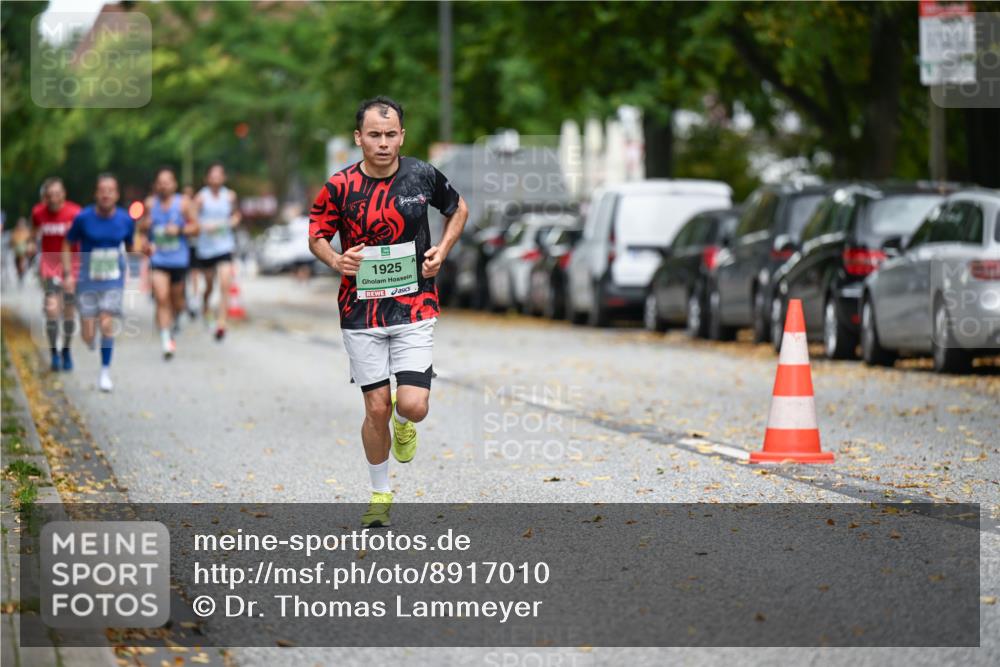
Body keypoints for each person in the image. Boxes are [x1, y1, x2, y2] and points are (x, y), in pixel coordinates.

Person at [307, 96, 468, 527]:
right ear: (359, 138)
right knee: (374, 408)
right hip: (360, 313)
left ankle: (405, 421)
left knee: (413, 405)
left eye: (390, 134)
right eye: (374, 135)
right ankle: (380, 494)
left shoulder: (422, 175)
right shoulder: (339, 187)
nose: (383, 143)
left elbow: (458, 209)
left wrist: (443, 250)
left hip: (415, 304)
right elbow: (317, 233)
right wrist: (335, 260)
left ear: (402, 136)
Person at [63, 174, 135, 392]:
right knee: (87, 334)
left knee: (106, 322)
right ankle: (89, 339)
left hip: (113, 279)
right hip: (87, 280)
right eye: (102, 190)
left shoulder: (125, 219)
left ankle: (105, 372)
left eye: (110, 190)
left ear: (117, 195)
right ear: (96, 194)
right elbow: (67, 244)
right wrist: (67, 273)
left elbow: (131, 246)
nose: (106, 194)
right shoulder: (83, 218)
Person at [140, 167, 197, 359]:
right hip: (158, 259)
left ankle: (176, 318)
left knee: (177, 301)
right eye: (160, 182)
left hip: (179, 260)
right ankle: (166, 339)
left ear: (174, 184)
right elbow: (141, 228)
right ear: (156, 185)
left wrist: (180, 230)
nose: (164, 185)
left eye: (167, 181)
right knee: (162, 297)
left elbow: (196, 228)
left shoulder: (184, 203)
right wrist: (145, 239)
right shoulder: (150, 204)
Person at [31, 178, 81, 371]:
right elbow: (34, 233)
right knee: (52, 310)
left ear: (64, 194)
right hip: (49, 265)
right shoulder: (38, 212)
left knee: (68, 312)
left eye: (57, 193)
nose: (53, 198)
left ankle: (66, 350)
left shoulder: (75, 213)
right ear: (44, 197)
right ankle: (54, 352)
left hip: (73, 264)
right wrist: (29, 244)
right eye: (49, 195)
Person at [189, 162, 241, 341]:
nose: (216, 179)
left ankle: (221, 323)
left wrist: (232, 222)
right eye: (213, 175)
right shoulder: (200, 198)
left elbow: (236, 215)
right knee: (209, 285)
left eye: (219, 175)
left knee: (225, 283)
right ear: (207, 178)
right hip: (206, 248)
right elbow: (192, 218)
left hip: (225, 246)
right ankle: (205, 305)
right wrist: (204, 225)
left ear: (224, 178)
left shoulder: (229, 196)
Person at [11, 217, 35, 288]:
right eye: (19, 224)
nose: (20, 226)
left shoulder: (27, 232)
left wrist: (30, 247)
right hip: (17, 253)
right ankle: (20, 276)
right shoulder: (15, 232)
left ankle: (24, 274)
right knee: (18, 266)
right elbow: (12, 242)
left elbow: (31, 241)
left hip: (25, 253)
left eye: (22, 224)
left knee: (23, 264)